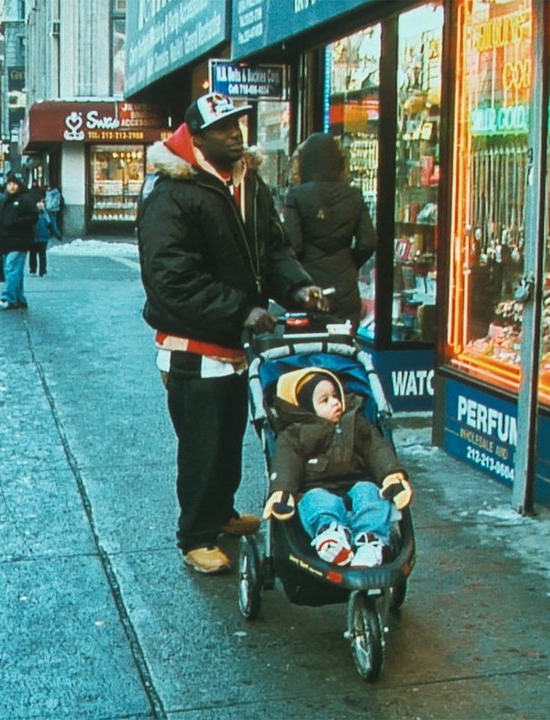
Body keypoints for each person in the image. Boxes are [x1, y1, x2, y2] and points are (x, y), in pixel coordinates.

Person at [137, 91, 328, 575]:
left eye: (237, 125)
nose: (235, 135)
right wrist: (242, 310)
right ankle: (195, 535)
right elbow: (171, 279)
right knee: (201, 444)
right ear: (196, 138)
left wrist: (298, 287)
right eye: (222, 128)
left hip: (233, 342)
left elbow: (274, 250)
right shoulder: (171, 193)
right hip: (192, 345)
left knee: (227, 436)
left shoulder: (248, 183)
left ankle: (220, 511)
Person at [262, 367, 414, 567]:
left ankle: (370, 540)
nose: (335, 402)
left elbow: (376, 449)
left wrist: (391, 475)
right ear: (306, 409)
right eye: (325, 400)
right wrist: (282, 491)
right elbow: (286, 464)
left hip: (357, 483)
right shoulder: (294, 435)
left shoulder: (355, 422)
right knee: (316, 501)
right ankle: (331, 536)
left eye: (336, 396)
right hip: (318, 487)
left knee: (372, 494)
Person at [282, 133, 378, 325]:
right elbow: (368, 242)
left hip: (308, 288)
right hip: (345, 288)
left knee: (307, 341)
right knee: (343, 340)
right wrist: (349, 263)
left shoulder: (296, 196)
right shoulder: (354, 195)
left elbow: (293, 245)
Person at [0, 173, 37, 309]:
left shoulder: (25, 199)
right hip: (7, 240)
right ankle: (19, 298)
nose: (11, 187)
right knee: (15, 270)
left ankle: (8, 297)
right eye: (9, 184)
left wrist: (17, 221)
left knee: (11, 268)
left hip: (20, 240)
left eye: (14, 184)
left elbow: (33, 217)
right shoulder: (6, 199)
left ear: (19, 185)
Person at [30, 198, 60, 276]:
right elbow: (52, 225)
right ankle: (37, 270)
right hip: (37, 237)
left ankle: (39, 270)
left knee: (38, 254)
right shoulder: (43, 214)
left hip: (40, 237)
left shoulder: (45, 214)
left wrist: (57, 234)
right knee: (37, 254)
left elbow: (52, 225)